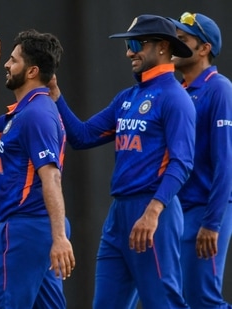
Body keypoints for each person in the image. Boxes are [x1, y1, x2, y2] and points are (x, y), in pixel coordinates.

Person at [48, 15, 195, 308]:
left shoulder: (175, 98)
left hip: (154, 213)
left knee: (163, 303)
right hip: (119, 216)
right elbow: (83, 136)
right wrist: (55, 94)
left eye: (136, 43)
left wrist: (153, 212)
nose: (129, 52)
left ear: (163, 47)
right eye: (129, 44)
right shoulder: (127, 98)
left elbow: (182, 163)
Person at [0, 29, 75, 308]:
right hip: (38, 230)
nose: (7, 64)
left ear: (31, 71)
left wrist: (59, 238)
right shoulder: (25, 111)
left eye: (13, 60)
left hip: (27, 229)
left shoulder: (36, 114)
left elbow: (51, 177)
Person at [168, 12, 232, 308]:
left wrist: (213, 222)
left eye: (183, 41)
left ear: (204, 48)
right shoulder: (176, 91)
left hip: (207, 210)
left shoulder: (219, 88)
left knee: (203, 299)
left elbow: (225, 161)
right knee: (175, 298)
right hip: (178, 212)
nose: (175, 47)